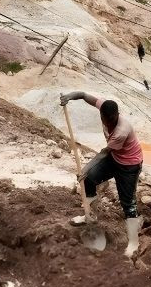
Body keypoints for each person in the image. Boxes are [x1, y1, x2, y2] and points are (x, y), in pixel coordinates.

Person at [60, 91, 144, 256]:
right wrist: (69, 97)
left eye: (112, 120)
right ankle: (89, 215)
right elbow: (84, 95)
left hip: (129, 165)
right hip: (115, 157)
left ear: (117, 115)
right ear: (102, 115)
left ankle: (135, 241)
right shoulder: (104, 106)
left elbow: (104, 153)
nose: (108, 123)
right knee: (90, 179)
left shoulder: (121, 130)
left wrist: (85, 168)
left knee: (128, 203)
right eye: (106, 119)